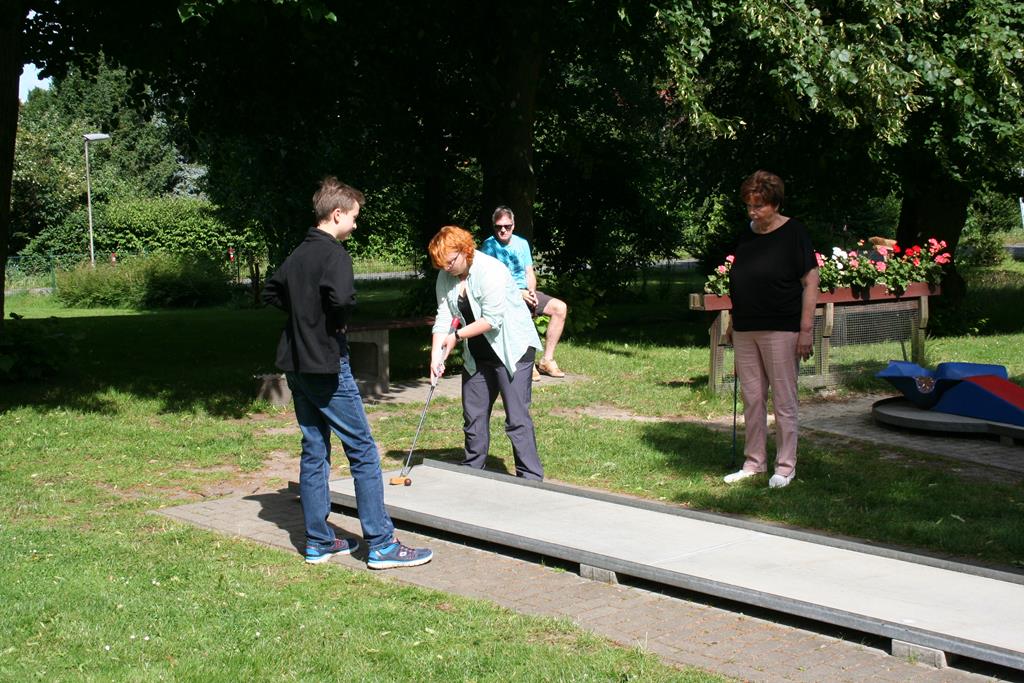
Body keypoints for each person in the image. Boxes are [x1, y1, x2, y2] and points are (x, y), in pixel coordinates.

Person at [261, 176, 432, 568]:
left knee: (314, 447)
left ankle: (319, 541)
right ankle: (382, 544)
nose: (355, 224)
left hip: (296, 364)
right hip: (326, 364)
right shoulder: (334, 255)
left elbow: (272, 291)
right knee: (363, 450)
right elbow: (341, 299)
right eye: (354, 217)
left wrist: (303, 315)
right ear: (337, 214)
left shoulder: (298, 253)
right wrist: (330, 321)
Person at [723, 170, 819, 489]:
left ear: (775, 204)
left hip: (782, 327)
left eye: (759, 206)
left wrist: (806, 329)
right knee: (752, 398)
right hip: (746, 327)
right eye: (749, 206)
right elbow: (741, 280)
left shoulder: (794, 232)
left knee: (783, 400)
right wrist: (733, 322)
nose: (753, 212)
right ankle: (754, 463)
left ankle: (786, 467)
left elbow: (811, 281)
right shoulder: (747, 234)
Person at [428, 225, 545, 480]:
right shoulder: (446, 276)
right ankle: (472, 473)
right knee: (473, 416)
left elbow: (492, 320)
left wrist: (456, 336)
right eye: (441, 265)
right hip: (478, 355)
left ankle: (531, 478)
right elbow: (443, 317)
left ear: (464, 250)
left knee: (516, 420)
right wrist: (435, 357)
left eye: (450, 262)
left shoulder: (491, 270)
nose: (446, 268)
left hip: (512, 350)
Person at [479, 206, 569, 380]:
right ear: (493, 226)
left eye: (507, 226)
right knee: (522, 312)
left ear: (513, 225)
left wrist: (532, 291)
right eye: (499, 227)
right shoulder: (488, 246)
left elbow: (529, 272)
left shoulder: (522, 243)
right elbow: (489, 280)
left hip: (526, 292)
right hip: (504, 295)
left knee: (560, 308)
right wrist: (518, 294)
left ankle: (547, 360)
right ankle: (527, 364)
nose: (503, 230)